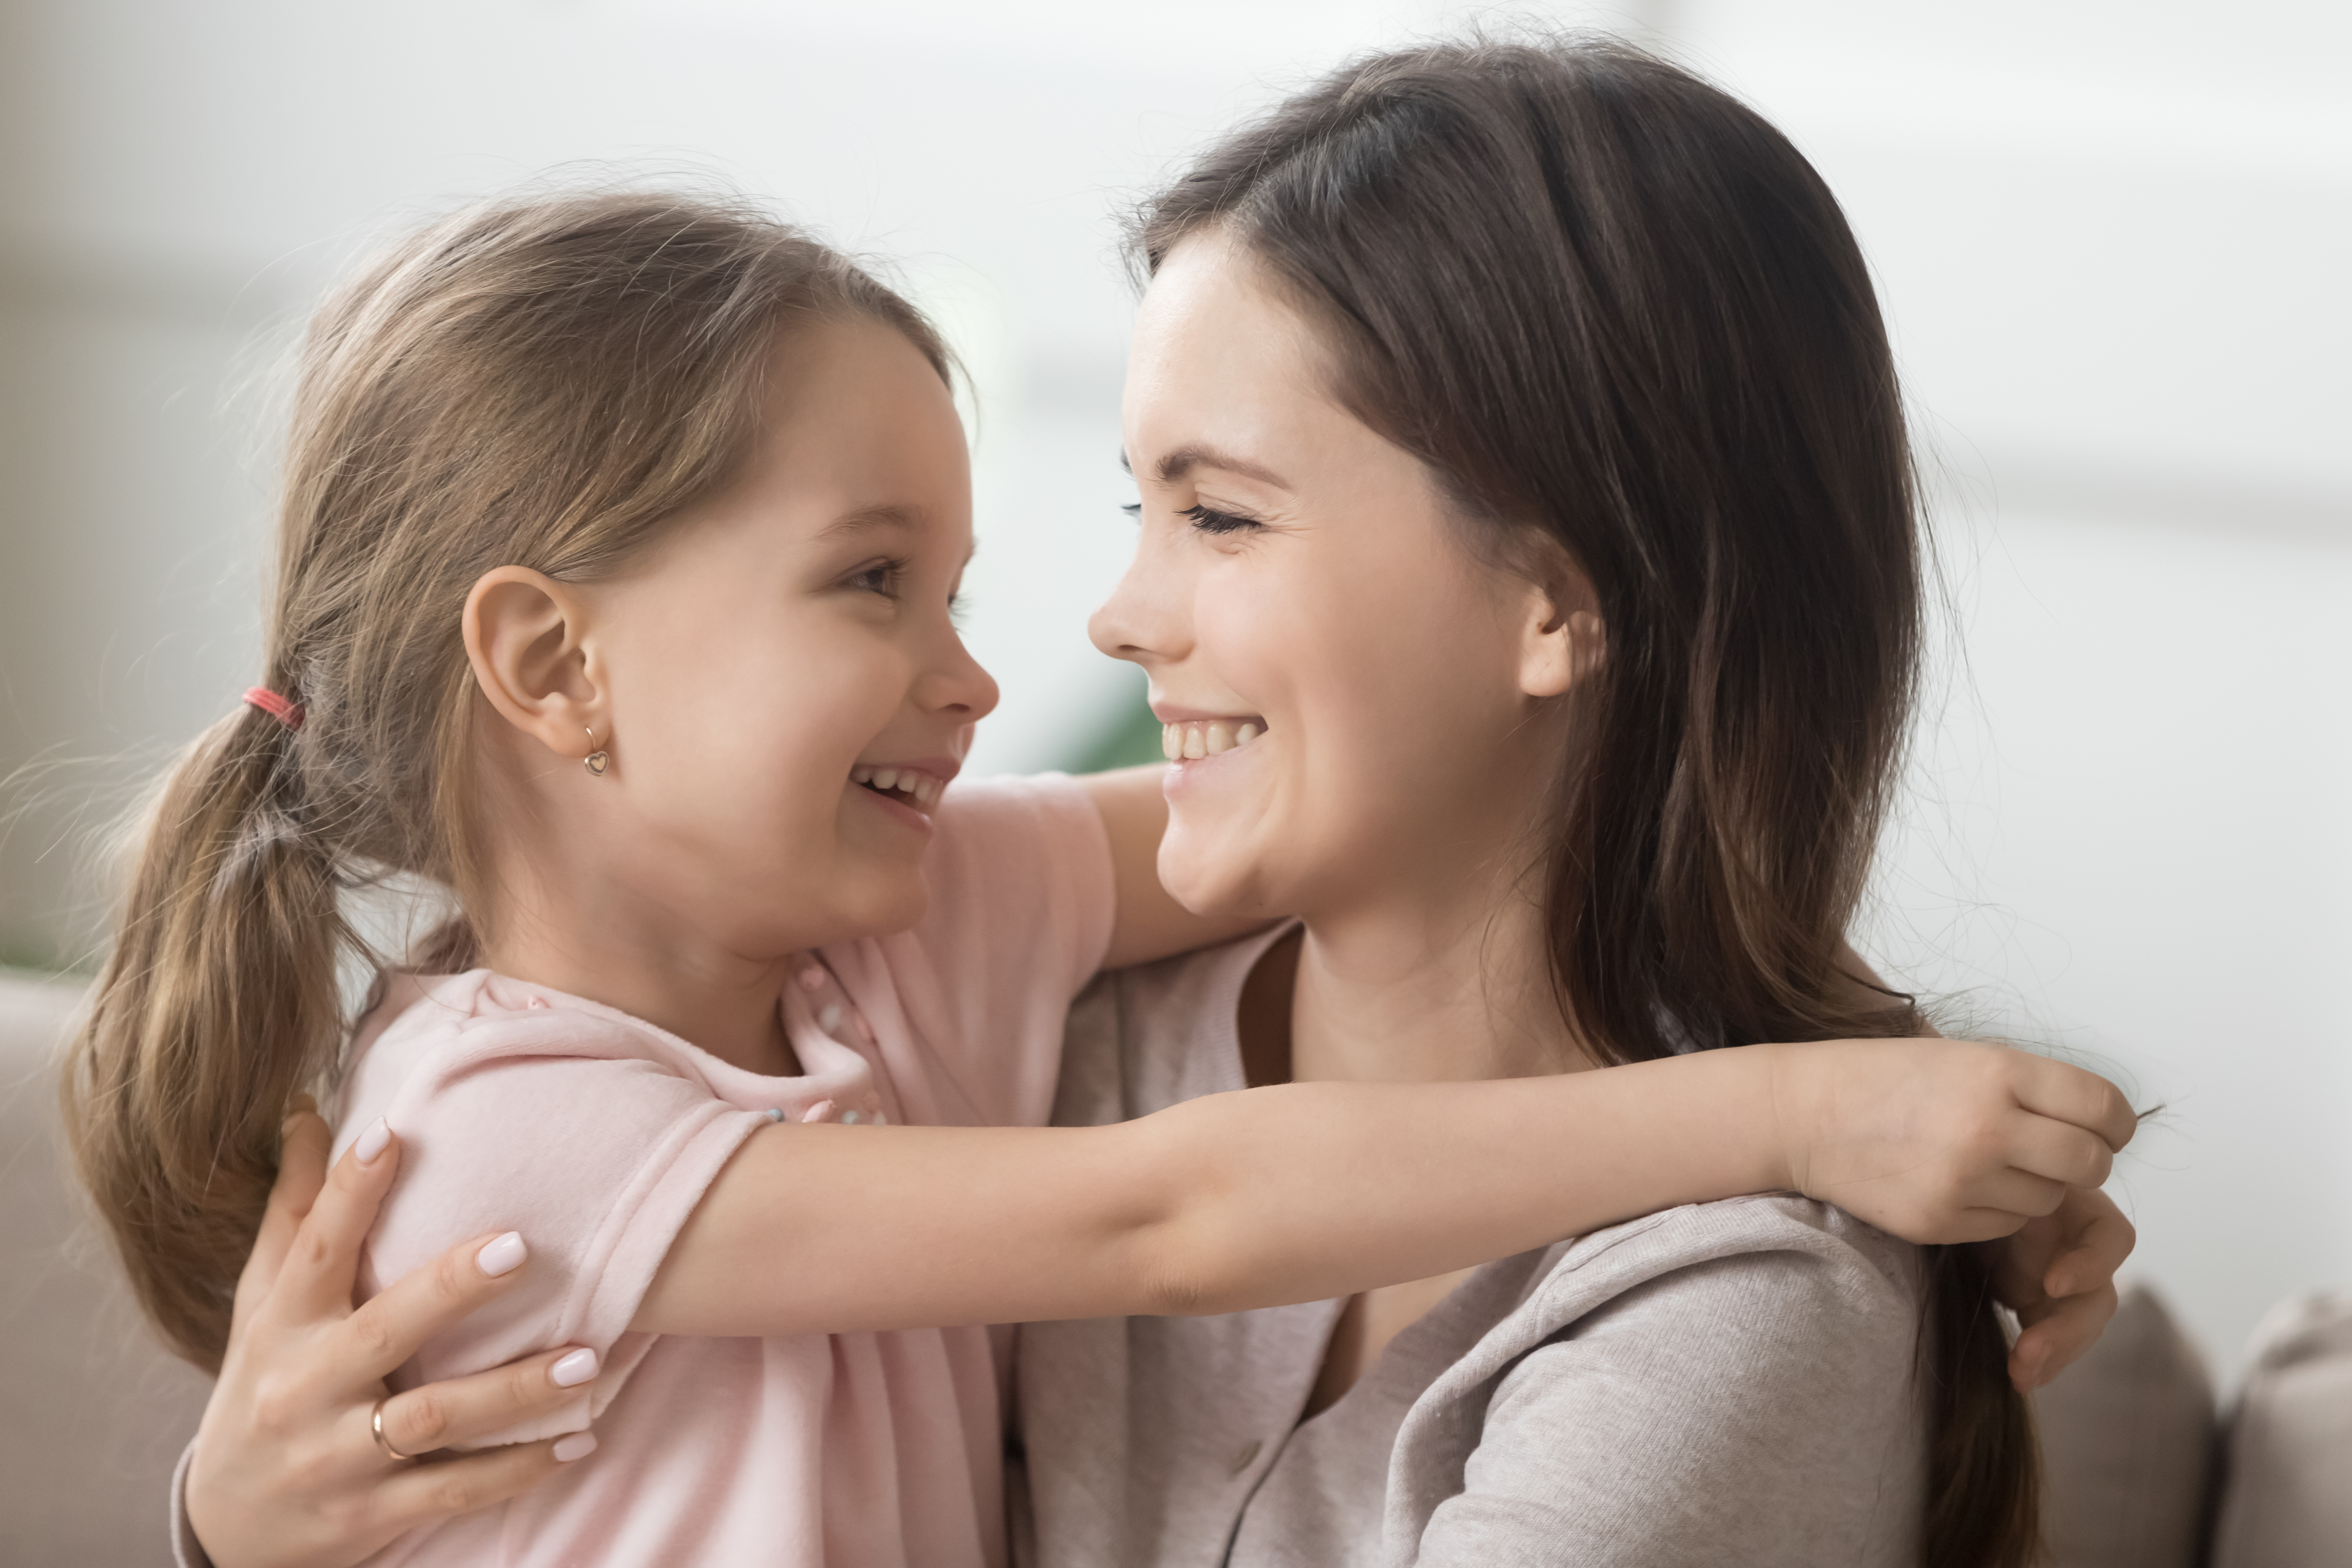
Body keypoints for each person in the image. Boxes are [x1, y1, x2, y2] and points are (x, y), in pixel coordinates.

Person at [136, 44, 2136, 1568]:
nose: (1087, 631)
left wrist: (1874, 1107)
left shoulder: (1725, 1318)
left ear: (1557, 599)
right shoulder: (836, 1057)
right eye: (874, 579)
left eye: (1222, 514)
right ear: (551, 667)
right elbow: (1174, 1216)